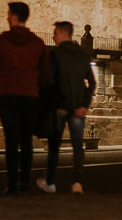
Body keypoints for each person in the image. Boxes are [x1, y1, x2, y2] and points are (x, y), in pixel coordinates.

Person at [0, 1, 50, 195]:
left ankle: (11, 183)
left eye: (8, 14)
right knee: (26, 140)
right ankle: (24, 183)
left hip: (7, 94)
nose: (6, 17)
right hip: (29, 95)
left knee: (11, 140)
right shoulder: (37, 43)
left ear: (13, 17)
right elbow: (45, 75)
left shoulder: (2, 40)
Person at [37, 21, 96, 195]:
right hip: (78, 109)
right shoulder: (83, 55)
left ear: (63, 33)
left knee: (54, 146)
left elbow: (49, 83)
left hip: (60, 108)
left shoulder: (54, 55)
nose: (53, 36)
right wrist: (84, 105)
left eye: (55, 33)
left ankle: (51, 182)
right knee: (78, 147)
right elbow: (92, 82)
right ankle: (77, 183)